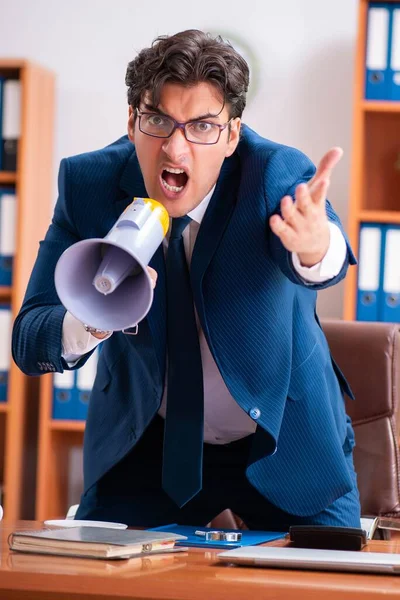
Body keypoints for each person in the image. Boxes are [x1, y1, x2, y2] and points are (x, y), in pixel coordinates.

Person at [12, 29, 361, 529]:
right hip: (148, 448)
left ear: (233, 134)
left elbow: (322, 253)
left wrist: (314, 246)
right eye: (158, 120)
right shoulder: (89, 185)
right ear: (132, 121)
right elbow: (29, 341)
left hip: (283, 442)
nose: (176, 150)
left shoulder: (273, 173)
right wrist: (88, 318)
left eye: (202, 126)